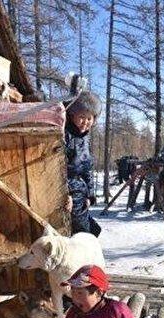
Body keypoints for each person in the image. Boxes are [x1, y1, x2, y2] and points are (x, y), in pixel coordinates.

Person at [64, 92, 101, 236]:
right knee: (81, 234)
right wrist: (64, 194)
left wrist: (89, 195)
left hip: (81, 195)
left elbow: (88, 169)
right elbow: (59, 168)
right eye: (81, 117)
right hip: (70, 194)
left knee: (88, 233)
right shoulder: (65, 135)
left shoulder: (84, 138)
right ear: (72, 115)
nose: (85, 122)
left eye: (89, 118)